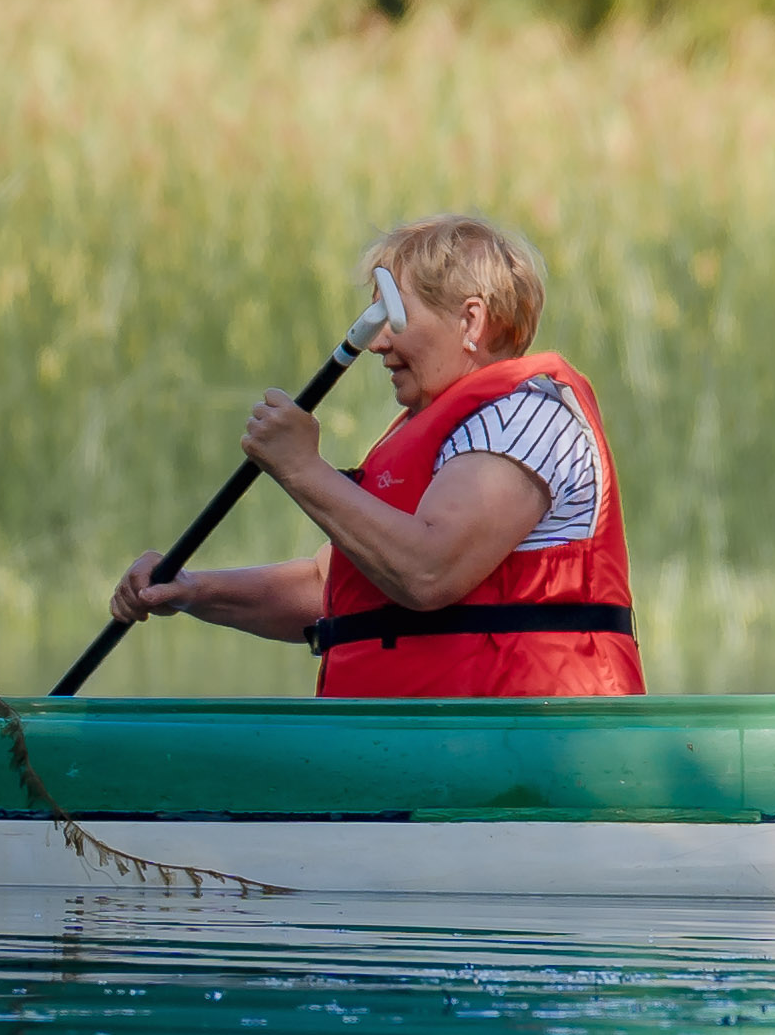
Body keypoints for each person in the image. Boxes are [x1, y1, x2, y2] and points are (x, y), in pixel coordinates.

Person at [103, 212, 645, 697]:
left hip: (525, 761)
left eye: (396, 317)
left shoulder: (528, 417)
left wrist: (300, 469)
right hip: (419, 765)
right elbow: (328, 587)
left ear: (471, 322)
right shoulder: (434, 430)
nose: (379, 343)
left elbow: (426, 573)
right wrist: (192, 590)